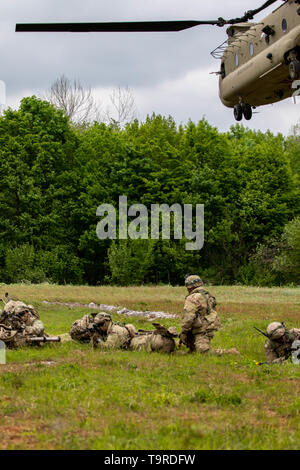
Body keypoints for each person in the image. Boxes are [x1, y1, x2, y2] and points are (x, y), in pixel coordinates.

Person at [180, 275, 221, 353]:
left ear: (189, 286)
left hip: (202, 329)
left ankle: (229, 352)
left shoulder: (193, 297)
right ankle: (193, 348)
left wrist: (184, 332)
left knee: (203, 352)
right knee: (194, 349)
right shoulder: (208, 295)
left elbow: (188, 317)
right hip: (211, 325)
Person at [70, 312, 136, 350]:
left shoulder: (115, 331)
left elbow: (108, 348)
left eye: (101, 324)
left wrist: (97, 339)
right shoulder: (106, 329)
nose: (99, 327)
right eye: (97, 325)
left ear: (108, 321)